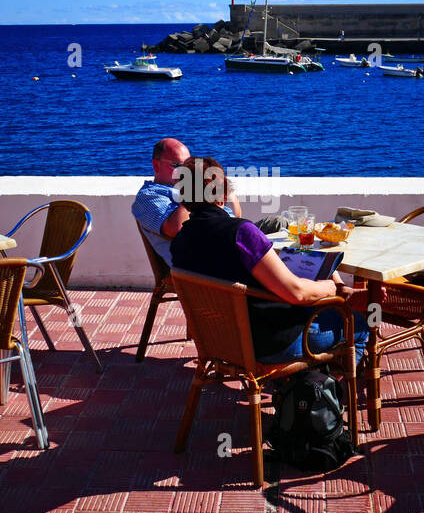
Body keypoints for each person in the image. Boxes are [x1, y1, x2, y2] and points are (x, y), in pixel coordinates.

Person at [170, 156, 368, 364]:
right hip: (270, 344)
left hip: (220, 342)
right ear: (222, 194)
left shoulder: (180, 242)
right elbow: (297, 293)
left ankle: (310, 381)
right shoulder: (241, 233)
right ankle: (335, 391)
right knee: (358, 323)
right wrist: (331, 288)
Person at [132, 137, 241, 267]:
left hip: (233, 234)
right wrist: (192, 192)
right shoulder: (149, 196)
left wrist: (223, 190)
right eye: (178, 166)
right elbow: (176, 229)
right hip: (215, 255)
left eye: (188, 166)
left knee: (271, 223)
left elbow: (236, 216)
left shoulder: (187, 190)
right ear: (156, 165)